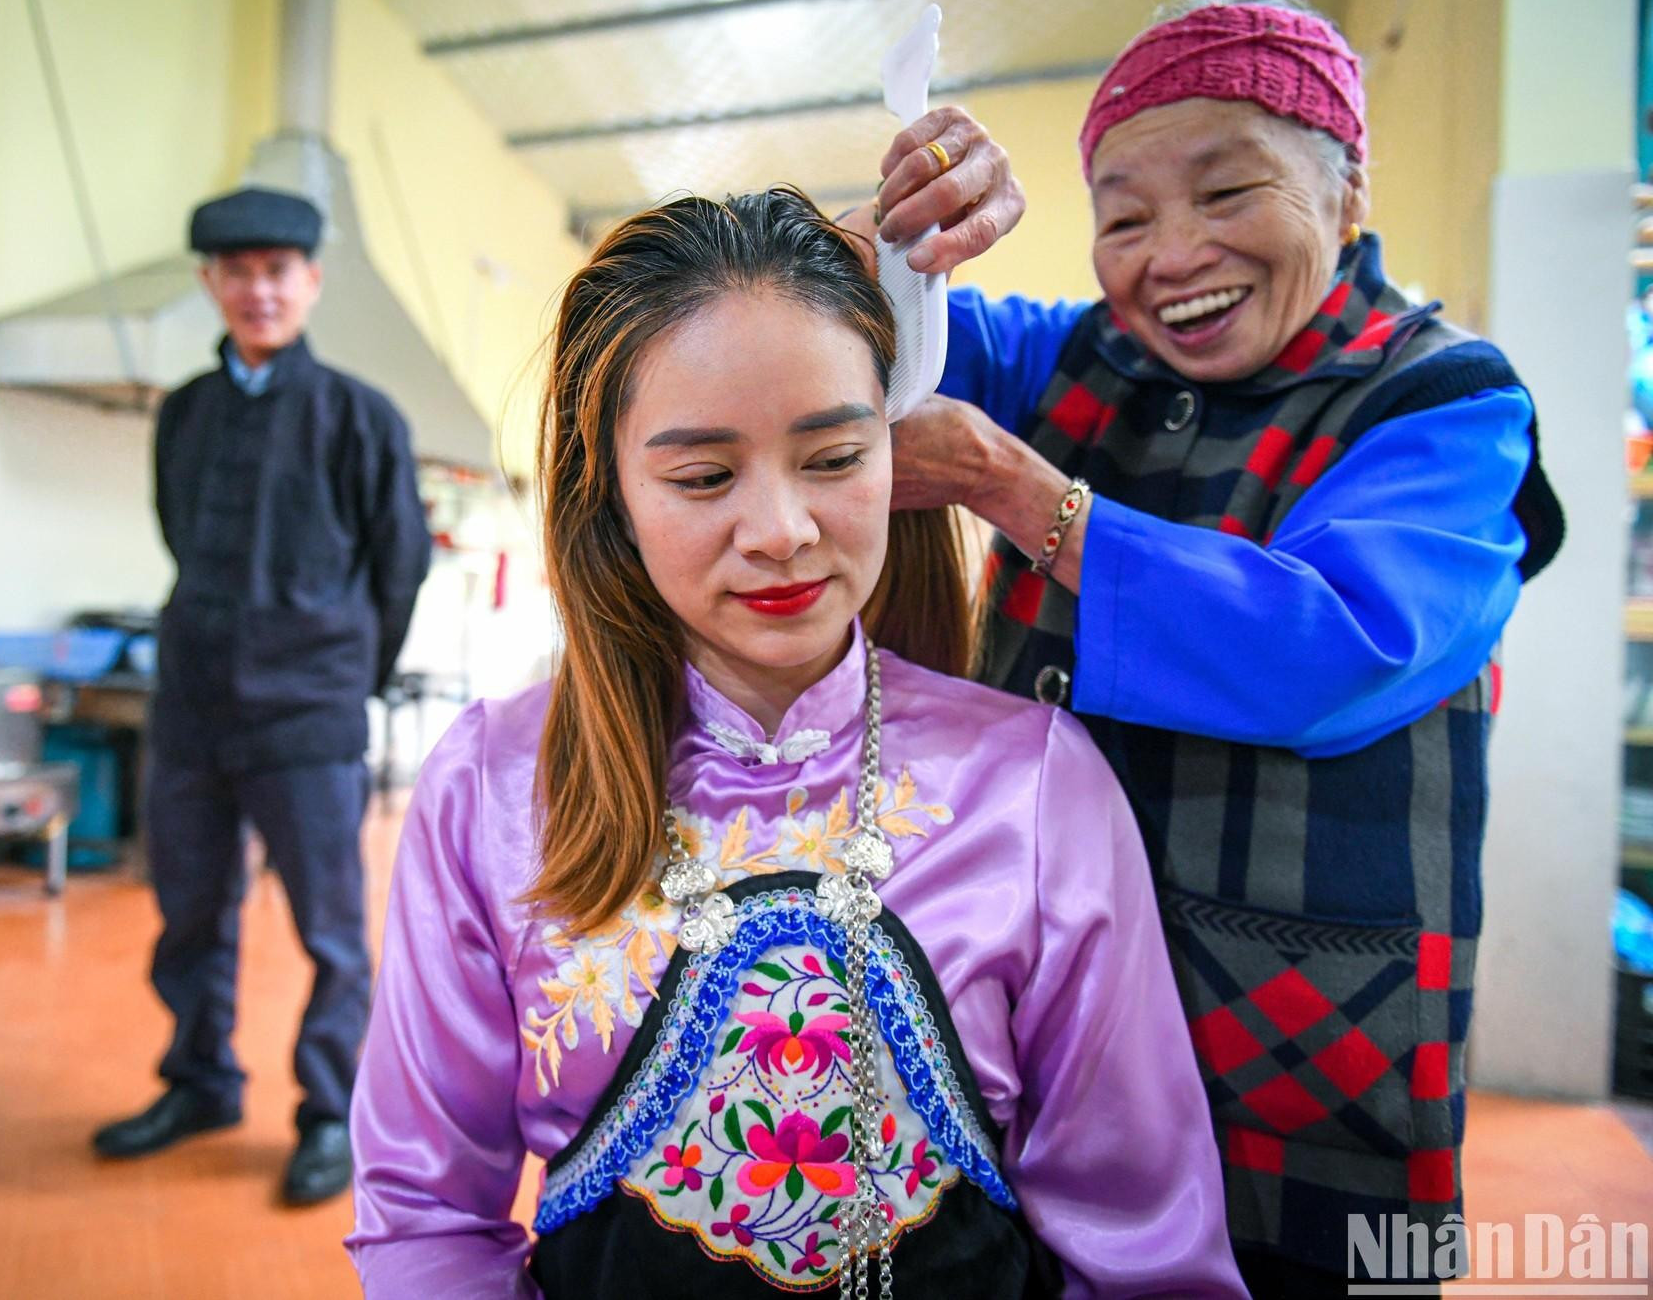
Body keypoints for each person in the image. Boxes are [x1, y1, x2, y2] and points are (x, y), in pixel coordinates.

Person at [346, 188, 1244, 1297]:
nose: (780, 531)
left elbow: (1144, 1249)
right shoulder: (489, 788)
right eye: (702, 476)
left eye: (831, 458)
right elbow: (427, 1217)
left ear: (892, 453)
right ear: (612, 495)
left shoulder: (1032, 784)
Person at [854, 0, 1567, 1296]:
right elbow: (886, 345)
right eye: (1122, 216)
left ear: (1348, 197)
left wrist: (1023, 494)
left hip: (1299, 1058)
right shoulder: (1080, 357)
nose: (1170, 253)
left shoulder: (1447, 405)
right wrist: (897, 228)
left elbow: (1333, 648)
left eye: (1228, 193)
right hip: (1060, 1025)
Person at [92, 186, 433, 1208]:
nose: (257, 289)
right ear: (210, 284)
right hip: (192, 706)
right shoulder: (185, 413)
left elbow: (399, 565)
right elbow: (177, 533)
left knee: (331, 931)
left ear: (310, 282)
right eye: (236, 271)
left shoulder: (360, 417)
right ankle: (198, 1082)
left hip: (308, 715)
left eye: (277, 269)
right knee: (188, 913)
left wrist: (347, 678)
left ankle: (330, 1109)